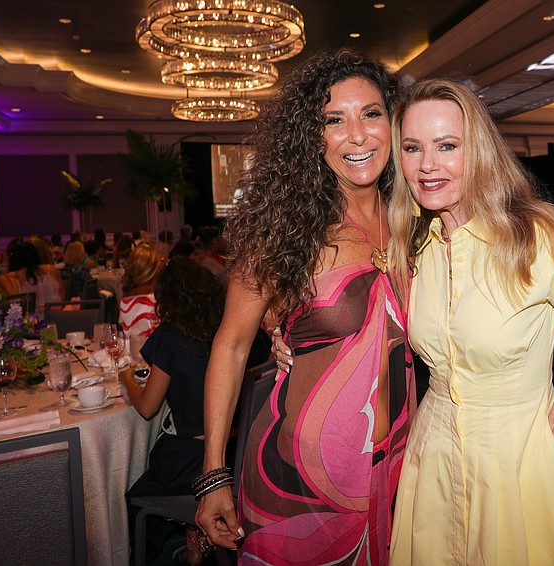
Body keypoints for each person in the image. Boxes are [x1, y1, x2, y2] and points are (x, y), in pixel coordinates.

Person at [385, 79, 554, 564]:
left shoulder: (537, 233)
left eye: (447, 146)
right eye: (413, 148)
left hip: (522, 454)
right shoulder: (414, 244)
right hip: (434, 452)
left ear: (479, 151)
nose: (427, 164)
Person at [195, 49, 415, 565]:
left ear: (394, 122)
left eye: (371, 114)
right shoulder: (284, 230)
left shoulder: (415, 221)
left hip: (400, 465)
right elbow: (230, 346)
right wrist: (212, 474)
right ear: (310, 137)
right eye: (334, 120)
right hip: (297, 475)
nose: (357, 136)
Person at [121, 256, 270, 564]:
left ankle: (166, 548)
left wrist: (126, 378)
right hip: (237, 454)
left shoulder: (170, 337)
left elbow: (148, 407)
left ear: (167, 300)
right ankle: (194, 542)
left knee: (131, 494)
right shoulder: (235, 333)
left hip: (190, 462)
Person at [0, 240, 63, 316]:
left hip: (30, 321)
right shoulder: (51, 269)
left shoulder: (10, 278)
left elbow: (5, 308)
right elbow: (62, 297)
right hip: (58, 317)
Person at [119, 243, 161, 338]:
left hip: (130, 346)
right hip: (150, 346)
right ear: (155, 270)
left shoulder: (125, 299)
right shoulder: (155, 301)